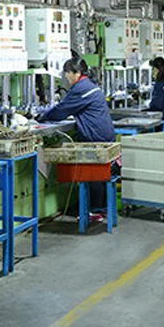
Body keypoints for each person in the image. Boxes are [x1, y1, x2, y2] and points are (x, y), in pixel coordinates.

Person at [38, 58, 116, 222]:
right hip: (104, 133)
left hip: (95, 136)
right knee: (101, 173)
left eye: (68, 73)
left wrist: (41, 118)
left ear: (77, 73)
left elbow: (62, 110)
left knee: (93, 173)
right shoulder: (89, 85)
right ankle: (102, 208)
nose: (66, 77)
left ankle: (96, 210)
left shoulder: (81, 89)